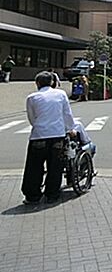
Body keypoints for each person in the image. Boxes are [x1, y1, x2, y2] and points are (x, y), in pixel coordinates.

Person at [21, 71, 76, 204]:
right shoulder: (61, 94)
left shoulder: (32, 98)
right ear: (52, 82)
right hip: (57, 134)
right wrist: (70, 129)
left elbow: (32, 118)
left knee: (34, 166)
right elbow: (67, 114)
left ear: (37, 83)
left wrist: (39, 126)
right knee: (55, 166)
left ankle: (32, 195)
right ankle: (52, 194)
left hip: (39, 135)